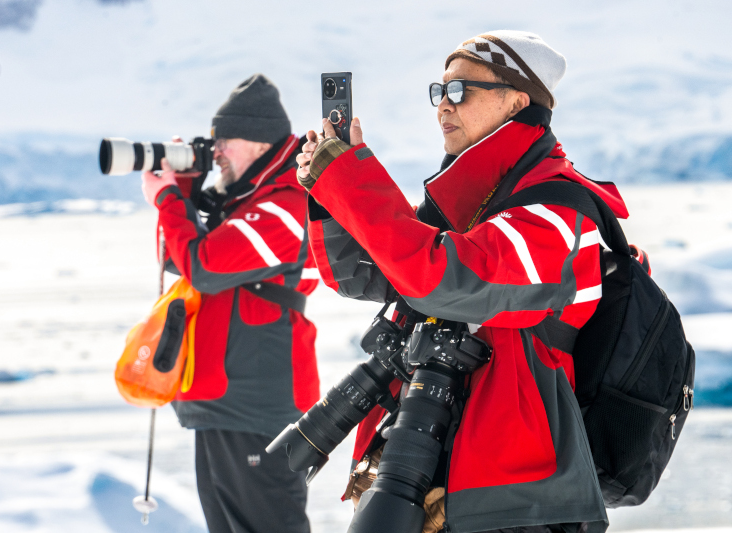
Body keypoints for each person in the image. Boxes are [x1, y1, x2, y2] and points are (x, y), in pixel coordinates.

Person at [297, 31, 629, 533]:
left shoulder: (557, 214)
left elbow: (441, 278)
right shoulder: (469, 208)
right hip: (436, 478)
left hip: (516, 502)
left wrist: (351, 181)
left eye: (461, 91)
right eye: (440, 91)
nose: (443, 107)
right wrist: (329, 191)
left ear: (517, 101)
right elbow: (364, 274)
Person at [141, 73, 321, 533]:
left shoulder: (286, 204)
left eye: (225, 141)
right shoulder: (246, 204)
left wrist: (167, 199)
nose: (215, 151)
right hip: (224, 400)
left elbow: (203, 265)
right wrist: (181, 193)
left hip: (258, 407)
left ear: (261, 145)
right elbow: (180, 261)